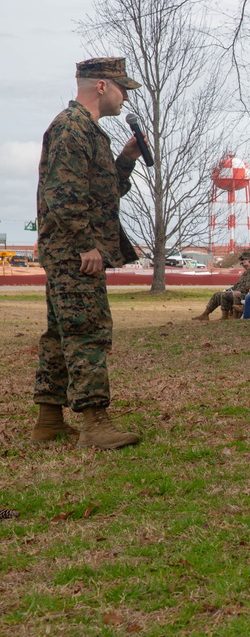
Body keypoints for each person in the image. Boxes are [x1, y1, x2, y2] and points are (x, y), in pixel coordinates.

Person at [32, 56, 144, 449]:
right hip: (74, 254)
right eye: (122, 89)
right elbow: (62, 196)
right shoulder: (72, 128)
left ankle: (48, 422)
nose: (125, 98)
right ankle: (94, 423)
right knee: (88, 333)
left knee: (60, 334)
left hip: (69, 252)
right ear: (101, 86)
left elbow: (104, 191)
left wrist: (127, 160)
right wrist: (86, 245)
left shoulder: (90, 132)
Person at [192, 251, 250, 321]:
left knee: (229, 295)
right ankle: (206, 314)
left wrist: (238, 291)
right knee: (218, 294)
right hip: (239, 292)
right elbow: (238, 284)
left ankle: (233, 316)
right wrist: (230, 290)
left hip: (249, 294)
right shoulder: (247, 273)